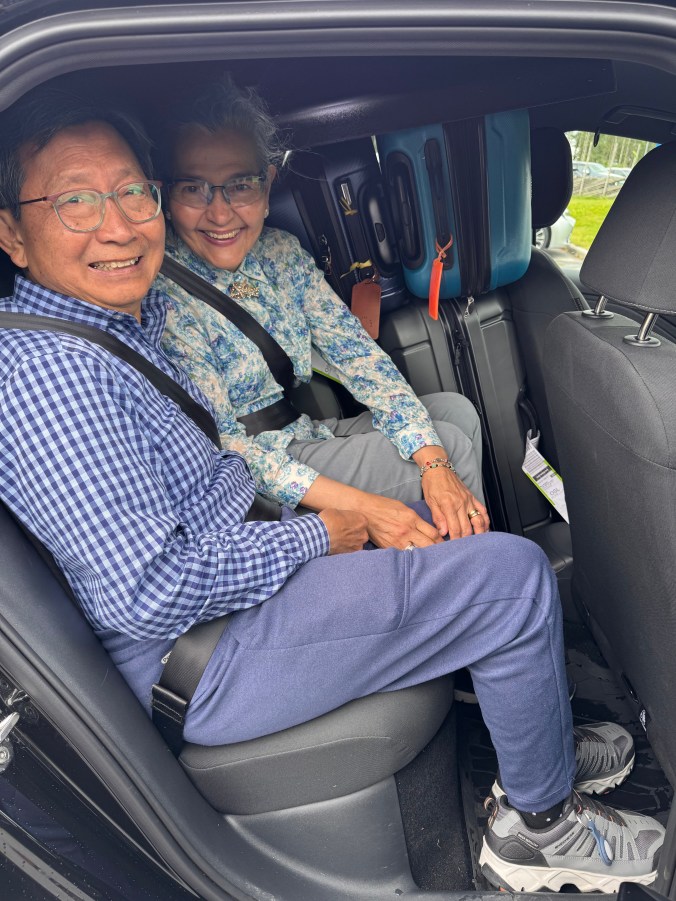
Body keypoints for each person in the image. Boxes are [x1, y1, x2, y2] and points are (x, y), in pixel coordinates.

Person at [0, 88, 664, 894]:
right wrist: (331, 528)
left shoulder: (108, 329)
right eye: (75, 201)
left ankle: (519, 699)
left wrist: (415, 468)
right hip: (201, 652)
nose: (117, 224)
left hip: (238, 574)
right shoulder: (53, 374)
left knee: (447, 462)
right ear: (12, 234)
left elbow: (343, 367)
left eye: (130, 191)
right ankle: (535, 826)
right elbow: (149, 593)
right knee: (511, 579)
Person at [155, 76, 488, 551]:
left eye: (240, 186)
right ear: (167, 194)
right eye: (195, 188)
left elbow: (357, 356)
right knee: (449, 449)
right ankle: (477, 586)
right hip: (259, 483)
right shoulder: (160, 289)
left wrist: (431, 460)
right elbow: (224, 448)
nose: (221, 213)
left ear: (267, 184)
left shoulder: (281, 254)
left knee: (454, 414)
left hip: (304, 435)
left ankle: (457, 564)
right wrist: (372, 504)